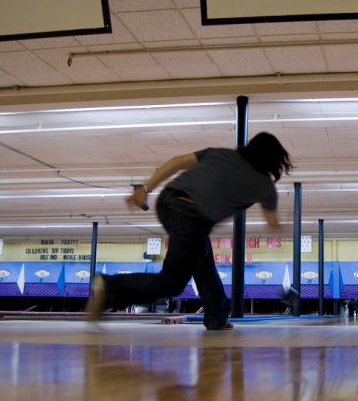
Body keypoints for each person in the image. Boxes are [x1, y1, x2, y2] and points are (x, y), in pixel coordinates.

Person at [86, 132, 292, 330]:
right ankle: (109, 286)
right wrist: (287, 226)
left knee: (202, 260)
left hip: (168, 200)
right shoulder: (265, 186)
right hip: (192, 217)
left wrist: (145, 188)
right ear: (275, 160)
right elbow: (272, 224)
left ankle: (217, 317)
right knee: (173, 281)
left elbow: (176, 162)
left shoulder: (220, 153)